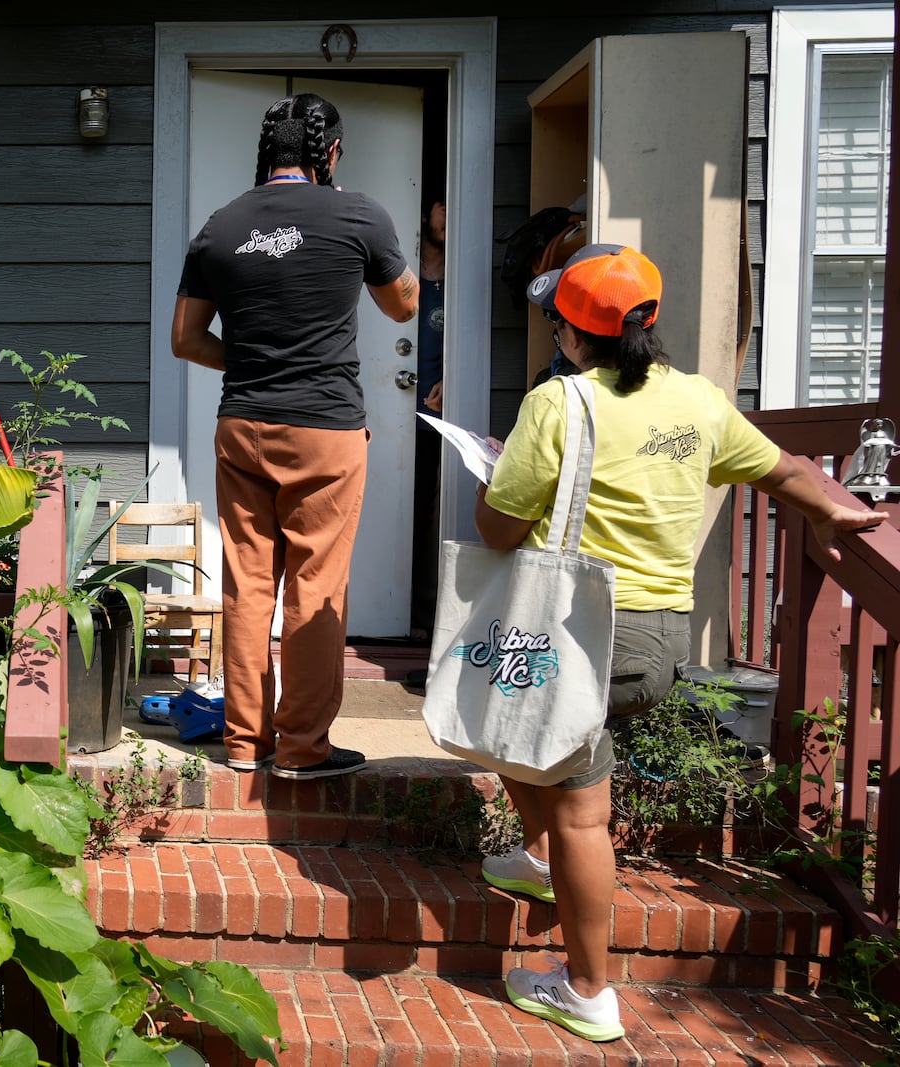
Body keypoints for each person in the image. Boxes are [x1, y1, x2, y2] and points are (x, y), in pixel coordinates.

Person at [475, 244, 886, 1041]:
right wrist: (833, 507)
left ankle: (587, 986)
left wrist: (496, 474)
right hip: (659, 641)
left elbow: (497, 527)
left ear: (570, 330)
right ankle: (534, 858)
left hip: (581, 633)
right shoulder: (698, 401)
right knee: (505, 719)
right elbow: (780, 469)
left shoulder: (561, 405)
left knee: (575, 806)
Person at [171, 92, 419, 781]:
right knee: (316, 587)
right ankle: (305, 748)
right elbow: (403, 304)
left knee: (247, 585)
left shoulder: (221, 227)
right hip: (325, 430)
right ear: (329, 151)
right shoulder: (359, 213)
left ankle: (246, 744)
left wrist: (250, 359)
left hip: (242, 424)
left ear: (266, 151)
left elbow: (185, 340)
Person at [410, 195, 446, 642]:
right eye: (441, 207)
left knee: (433, 519)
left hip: (438, 418)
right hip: (397, 418)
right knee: (405, 514)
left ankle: (425, 613)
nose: (448, 217)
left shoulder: (457, 280)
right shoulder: (404, 278)